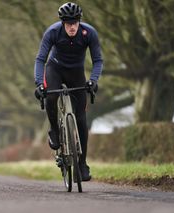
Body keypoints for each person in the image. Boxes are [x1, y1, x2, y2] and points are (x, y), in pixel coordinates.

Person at [34, 2, 103, 181]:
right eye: (68, 23)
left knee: (81, 118)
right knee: (52, 96)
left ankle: (82, 164)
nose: (72, 27)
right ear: (63, 23)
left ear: (79, 21)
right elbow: (41, 59)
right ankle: (54, 131)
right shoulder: (52, 33)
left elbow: (97, 60)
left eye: (75, 22)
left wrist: (93, 81)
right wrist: (40, 83)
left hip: (76, 72)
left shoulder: (89, 33)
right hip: (55, 68)